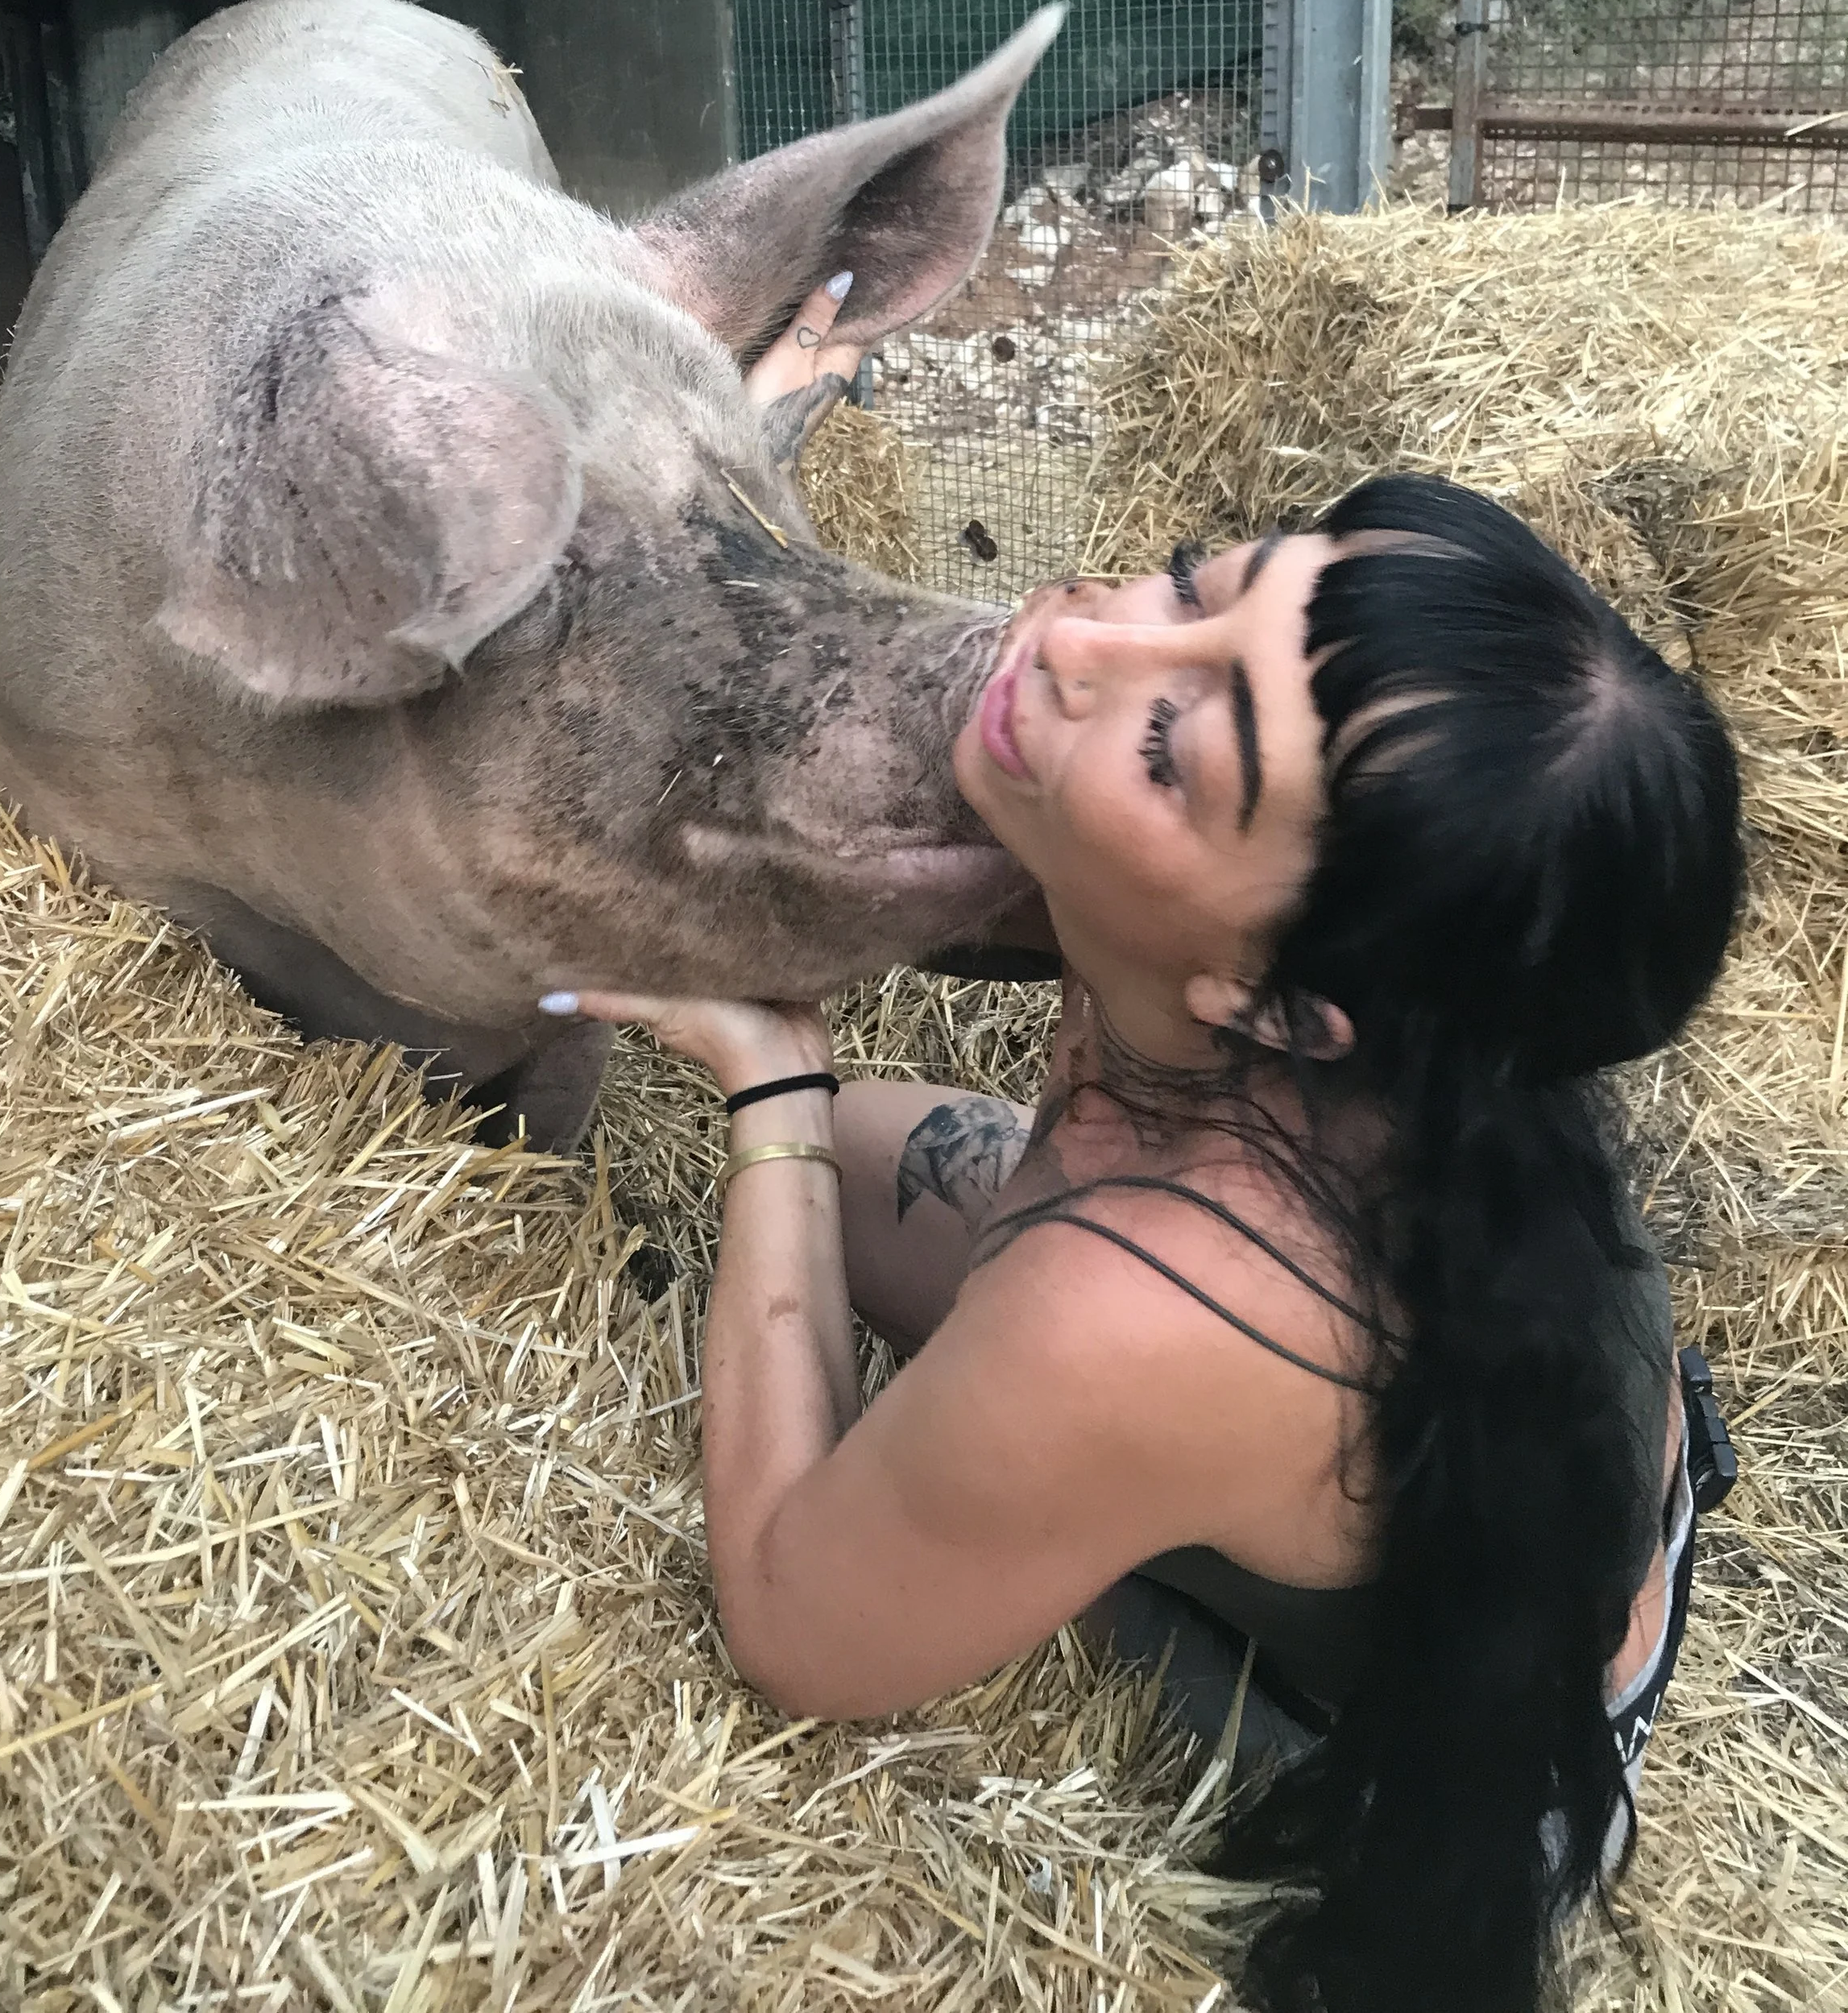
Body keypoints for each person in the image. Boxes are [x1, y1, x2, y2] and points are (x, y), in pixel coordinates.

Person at [536, 284, 1745, 2013]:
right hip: (1469, 1432)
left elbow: (792, 1625)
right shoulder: (1408, 984)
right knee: (903, 1178)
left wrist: (766, 1094)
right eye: (1198, 582)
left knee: (875, 1250)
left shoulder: (1135, 1307)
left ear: (1279, 1004)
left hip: (1432, 1700)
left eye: (1181, 745)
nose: (1086, 641)